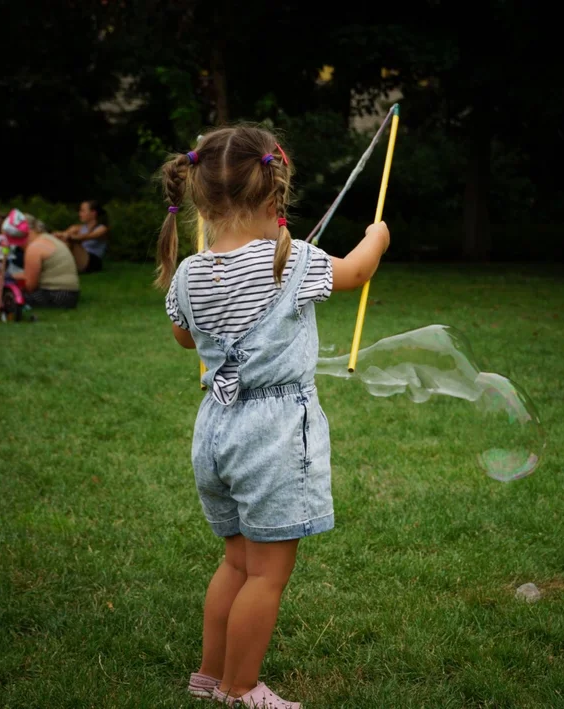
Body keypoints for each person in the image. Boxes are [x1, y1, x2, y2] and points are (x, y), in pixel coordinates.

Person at [158, 127, 390, 707]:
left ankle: (209, 676)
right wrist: (376, 239)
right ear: (273, 202)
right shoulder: (293, 261)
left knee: (236, 561)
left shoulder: (189, 273)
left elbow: (185, 340)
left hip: (216, 428)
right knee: (266, 574)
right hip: (275, 433)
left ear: (202, 202)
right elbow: (356, 272)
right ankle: (240, 688)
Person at [17, 213, 80, 308]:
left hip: (55, 294)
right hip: (71, 294)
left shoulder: (34, 247)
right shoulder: (48, 239)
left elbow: (30, 285)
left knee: (15, 296)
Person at [56, 199, 109, 273]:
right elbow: (62, 236)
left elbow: (86, 237)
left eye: (83, 211)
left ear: (93, 213)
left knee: (70, 241)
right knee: (62, 240)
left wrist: (68, 236)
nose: (79, 214)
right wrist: (57, 235)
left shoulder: (102, 228)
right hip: (80, 258)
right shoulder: (77, 228)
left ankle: (57, 269)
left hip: (93, 262)